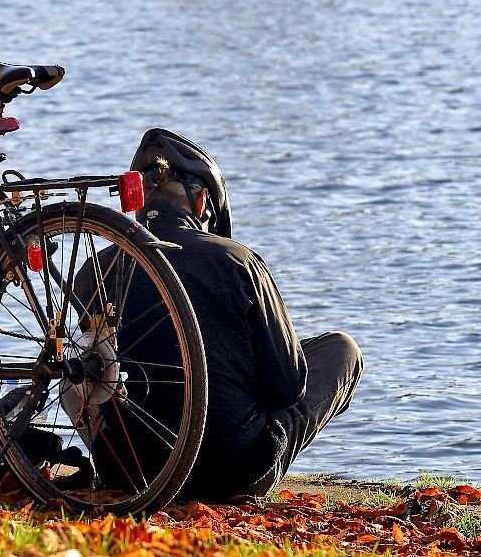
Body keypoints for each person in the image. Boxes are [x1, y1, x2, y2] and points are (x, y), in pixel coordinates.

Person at [105, 128, 364, 500]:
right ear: (201, 203)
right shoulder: (237, 260)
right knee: (342, 349)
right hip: (233, 471)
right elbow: (289, 386)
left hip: (131, 470)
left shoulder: (95, 269)